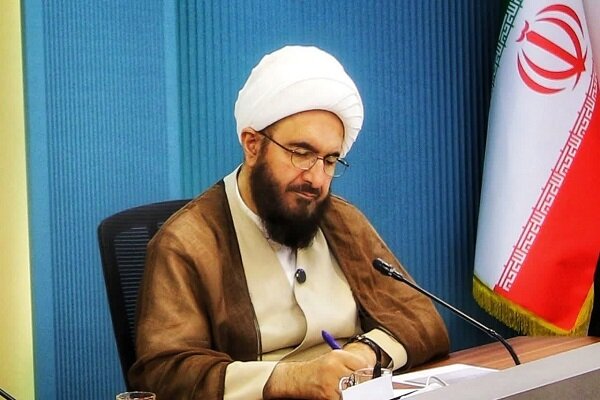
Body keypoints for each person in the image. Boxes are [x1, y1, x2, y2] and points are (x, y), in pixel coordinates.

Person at [129, 45, 449, 400]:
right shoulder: (187, 242)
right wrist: (292, 379)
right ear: (252, 145)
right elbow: (165, 373)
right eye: (301, 153)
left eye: (330, 160)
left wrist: (365, 353)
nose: (316, 178)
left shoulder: (341, 220)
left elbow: (421, 318)